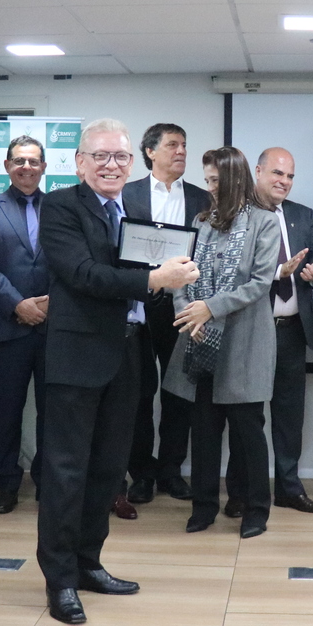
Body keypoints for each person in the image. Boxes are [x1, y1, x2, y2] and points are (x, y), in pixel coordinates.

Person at [37, 118, 198, 625]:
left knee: (108, 470)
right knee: (66, 472)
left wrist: (174, 275)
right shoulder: (61, 205)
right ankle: (60, 581)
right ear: (79, 162)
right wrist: (154, 276)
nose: (111, 165)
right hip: (77, 356)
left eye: (120, 158)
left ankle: (89, 565)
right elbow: (83, 275)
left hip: (129, 352)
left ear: (133, 164)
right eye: (100, 156)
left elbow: (136, 275)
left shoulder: (130, 208)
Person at [164, 147, 282, 538]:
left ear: (235, 180)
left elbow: (260, 283)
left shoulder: (265, 222)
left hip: (244, 340)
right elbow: (182, 275)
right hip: (199, 337)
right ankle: (203, 508)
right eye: (208, 180)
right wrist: (188, 314)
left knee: (248, 430)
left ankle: (256, 510)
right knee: (204, 429)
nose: (210, 188)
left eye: (216, 181)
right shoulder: (201, 223)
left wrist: (208, 309)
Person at [224, 148, 313, 517]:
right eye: (277, 174)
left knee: (289, 417)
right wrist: (276, 271)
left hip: (291, 331)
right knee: (247, 417)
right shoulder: (238, 213)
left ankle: (289, 488)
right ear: (257, 171)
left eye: (289, 176)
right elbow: (232, 272)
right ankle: (240, 493)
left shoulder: (301, 214)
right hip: (251, 331)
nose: (283, 182)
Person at [121, 123, 208, 508]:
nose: (181, 152)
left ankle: (172, 470)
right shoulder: (127, 193)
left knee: (178, 392)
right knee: (139, 392)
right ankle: (141, 473)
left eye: (185, 146)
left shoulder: (203, 199)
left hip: (183, 307)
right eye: (173, 145)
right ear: (150, 152)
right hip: (138, 306)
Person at [0, 135, 50, 514]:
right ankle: (6, 483)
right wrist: (18, 305)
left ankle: (48, 480)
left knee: (54, 411)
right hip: (9, 327)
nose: (26, 168)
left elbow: (69, 263)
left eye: (34, 162)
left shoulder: (60, 208)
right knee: (7, 411)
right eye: (19, 161)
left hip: (54, 327)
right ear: (6, 166)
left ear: (44, 168)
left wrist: (50, 304)